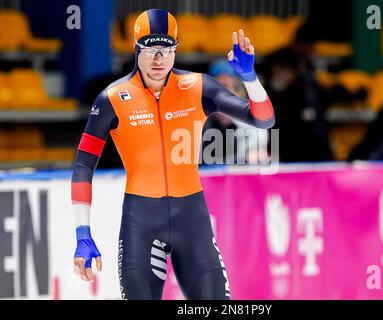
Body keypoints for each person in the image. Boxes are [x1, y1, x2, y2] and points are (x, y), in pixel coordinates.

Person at [71, 9, 274, 300]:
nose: (159, 59)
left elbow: (263, 119)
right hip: (141, 224)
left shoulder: (198, 87)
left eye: (167, 50)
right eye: (151, 49)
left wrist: (250, 77)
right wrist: (82, 233)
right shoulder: (112, 99)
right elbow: (82, 167)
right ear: (136, 48)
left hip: (192, 221)